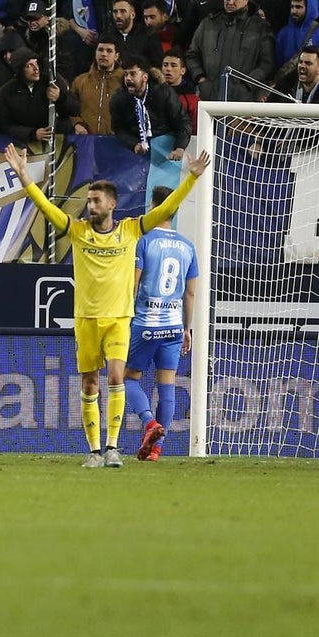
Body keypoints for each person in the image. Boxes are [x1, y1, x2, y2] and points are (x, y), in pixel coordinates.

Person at [3, 143, 209, 468]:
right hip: (85, 319)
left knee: (116, 377)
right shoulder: (78, 231)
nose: (90, 205)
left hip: (118, 319)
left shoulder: (130, 231)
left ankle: (113, 448)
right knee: (89, 383)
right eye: (88, 200)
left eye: (96, 200)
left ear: (112, 204)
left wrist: (191, 180)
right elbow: (46, 208)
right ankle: (94, 450)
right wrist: (24, 175)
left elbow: (164, 209)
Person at [124, 186, 198, 463]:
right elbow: (190, 293)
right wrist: (187, 328)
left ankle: (148, 422)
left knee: (126, 377)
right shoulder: (188, 246)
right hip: (173, 328)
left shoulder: (143, 240)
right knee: (167, 385)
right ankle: (156, 449)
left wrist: (124, 317)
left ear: (153, 207)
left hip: (145, 324)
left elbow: (133, 284)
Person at [110, 55, 192, 159]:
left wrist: (180, 147)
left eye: (133, 74)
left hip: (165, 152)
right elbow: (118, 128)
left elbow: (182, 121)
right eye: (126, 74)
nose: (128, 78)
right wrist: (133, 144)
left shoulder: (164, 93)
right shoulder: (119, 98)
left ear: (145, 77)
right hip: (134, 154)